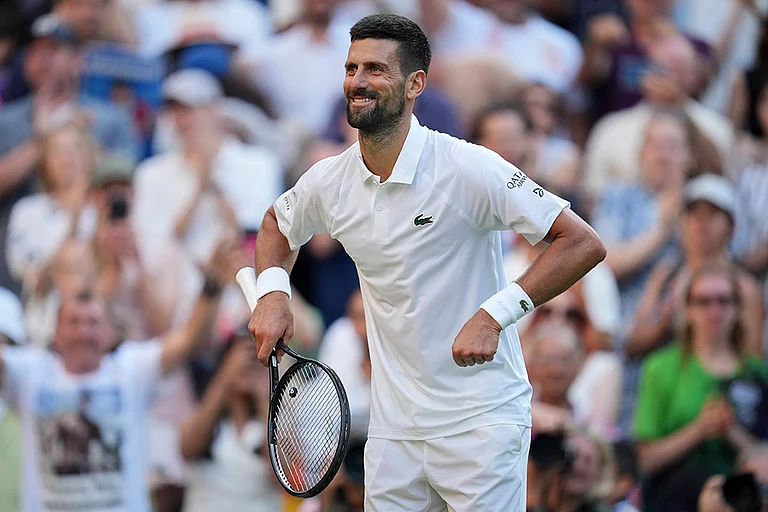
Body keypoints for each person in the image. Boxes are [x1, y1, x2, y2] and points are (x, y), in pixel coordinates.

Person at [247, 13, 606, 511]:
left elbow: (582, 241)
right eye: (352, 68)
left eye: (376, 69)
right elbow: (275, 226)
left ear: (415, 84)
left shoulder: (468, 167)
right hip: (394, 431)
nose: (358, 82)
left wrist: (494, 315)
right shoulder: (328, 180)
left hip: (481, 421)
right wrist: (272, 294)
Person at [0, 240, 234, 512]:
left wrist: (212, 286)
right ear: (56, 333)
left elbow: (188, 340)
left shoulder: (131, 368)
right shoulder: (31, 372)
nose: (83, 333)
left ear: (109, 333)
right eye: (74, 322)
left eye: (93, 322)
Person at [633, 263, 768, 511]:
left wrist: (731, 432)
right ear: (688, 309)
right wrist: (698, 430)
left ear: (738, 308)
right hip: (671, 500)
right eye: (703, 301)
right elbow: (644, 460)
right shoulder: (660, 368)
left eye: (723, 300)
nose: (714, 311)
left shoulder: (758, 372)